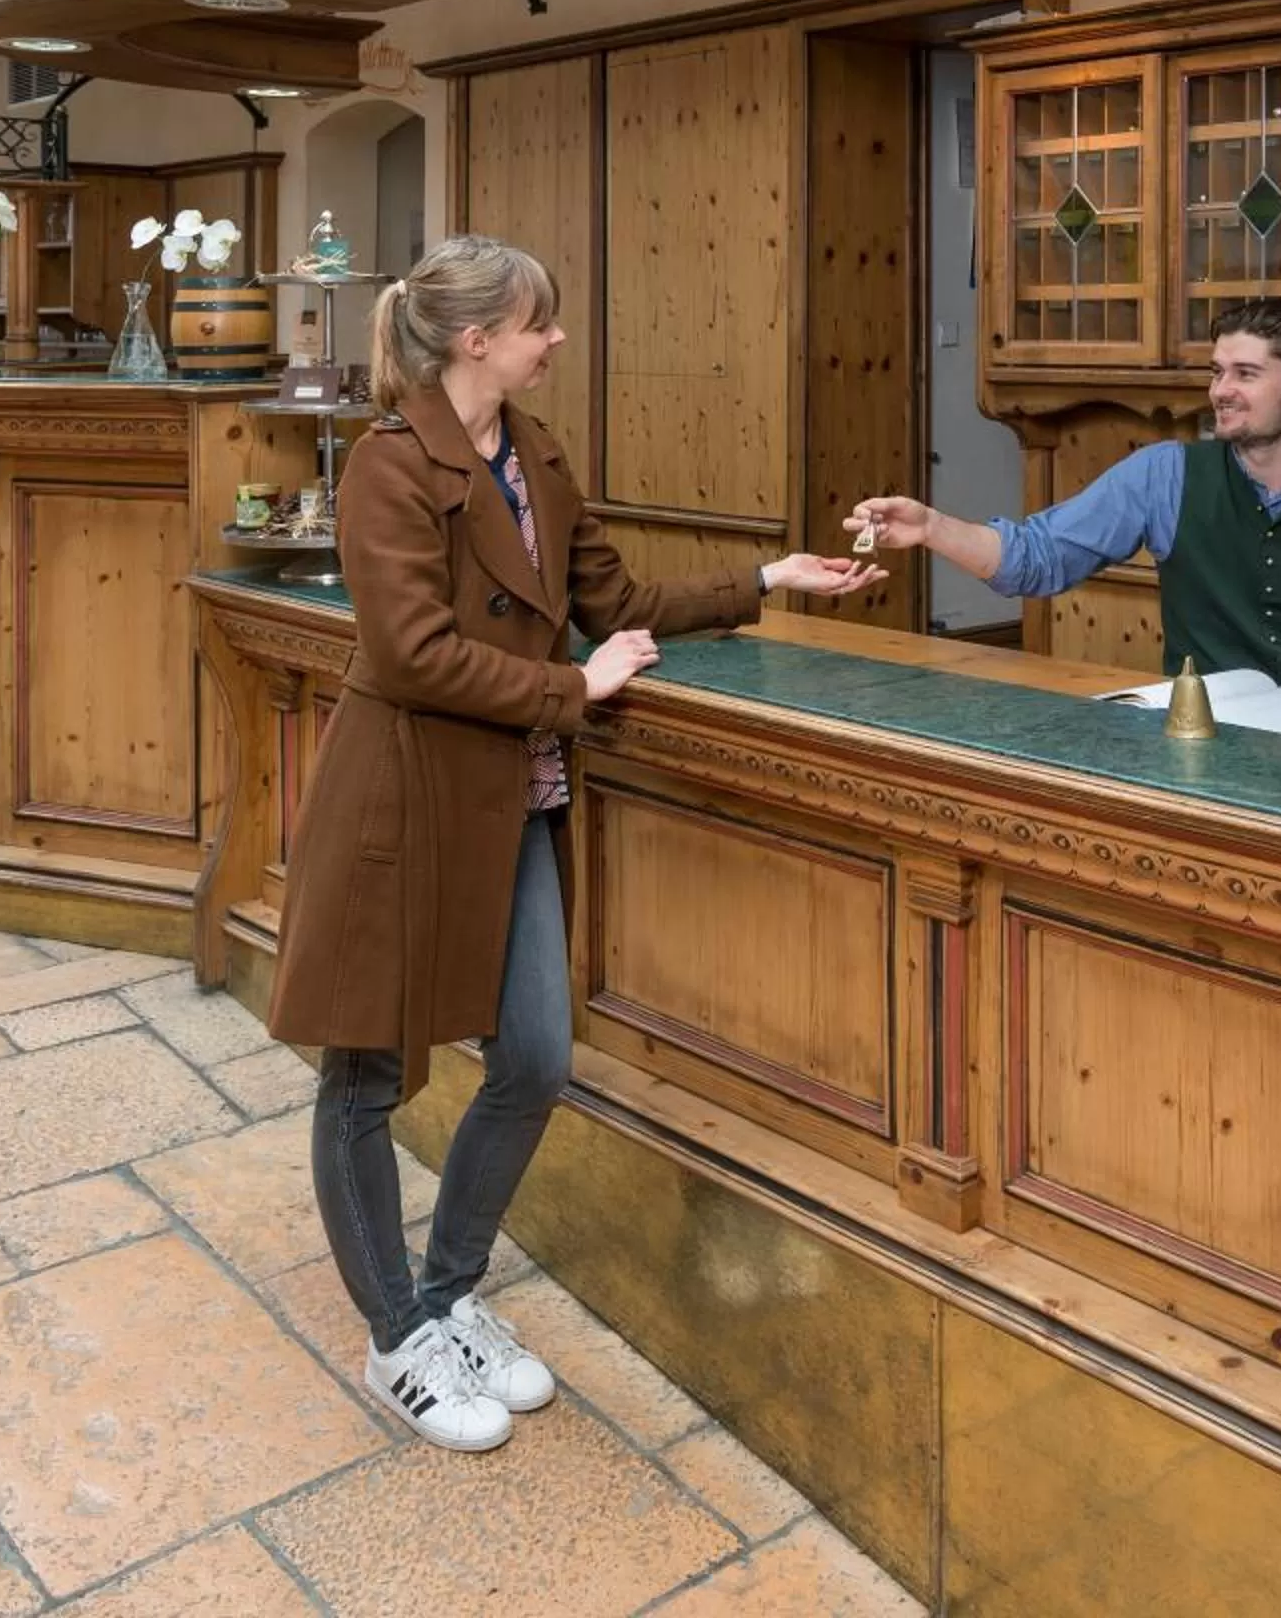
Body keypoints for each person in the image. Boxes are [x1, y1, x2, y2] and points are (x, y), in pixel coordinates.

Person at [268, 235, 881, 1454]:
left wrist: (771, 575)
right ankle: (398, 1333)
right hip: (404, 801)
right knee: (368, 1077)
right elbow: (409, 654)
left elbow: (621, 601)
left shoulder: (534, 452)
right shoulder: (391, 467)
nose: (557, 340)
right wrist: (572, 685)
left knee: (535, 1052)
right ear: (474, 337)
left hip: (511, 797)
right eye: (539, 323)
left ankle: (446, 1291)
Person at [849, 296, 1281, 699]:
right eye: (1217, 371)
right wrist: (931, 528)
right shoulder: (1164, 475)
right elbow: (1040, 557)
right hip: (1201, 740)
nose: (1220, 390)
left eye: (1246, 374)